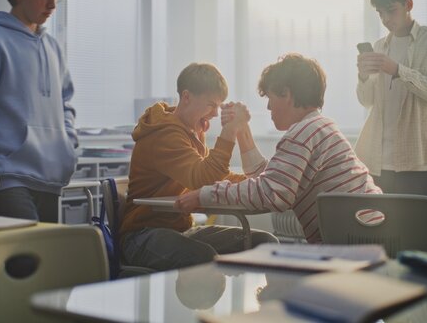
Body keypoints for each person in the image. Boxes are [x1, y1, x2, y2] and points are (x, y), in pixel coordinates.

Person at [175, 53, 381, 243]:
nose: (268, 107)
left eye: (270, 98)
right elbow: (272, 178)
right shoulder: (318, 126)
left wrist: (204, 194)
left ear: (287, 94)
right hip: (368, 234)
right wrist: (242, 130)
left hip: (356, 242)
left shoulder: (302, 133)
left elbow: (272, 192)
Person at [120, 62, 278, 271]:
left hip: (181, 229)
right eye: (211, 104)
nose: (214, 114)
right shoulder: (164, 134)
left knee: (265, 243)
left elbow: (213, 176)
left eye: (218, 106)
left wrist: (254, 184)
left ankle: (262, 301)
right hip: (142, 235)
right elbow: (202, 178)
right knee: (203, 257)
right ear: (186, 97)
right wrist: (229, 131)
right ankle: (200, 303)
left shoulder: (193, 130)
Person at [0, 0, 77, 222]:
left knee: (47, 260)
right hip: (8, 176)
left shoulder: (53, 47)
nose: (52, 5)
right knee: (25, 258)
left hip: (50, 175)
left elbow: (65, 103)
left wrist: (68, 146)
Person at [355, 0, 427, 196]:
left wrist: (398, 70)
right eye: (380, 13)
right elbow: (367, 101)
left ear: (409, 5)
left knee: (414, 226)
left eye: (391, 10)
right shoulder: (379, 46)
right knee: (378, 227)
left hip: (415, 158)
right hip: (376, 158)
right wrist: (362, 76)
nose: (386, 19)